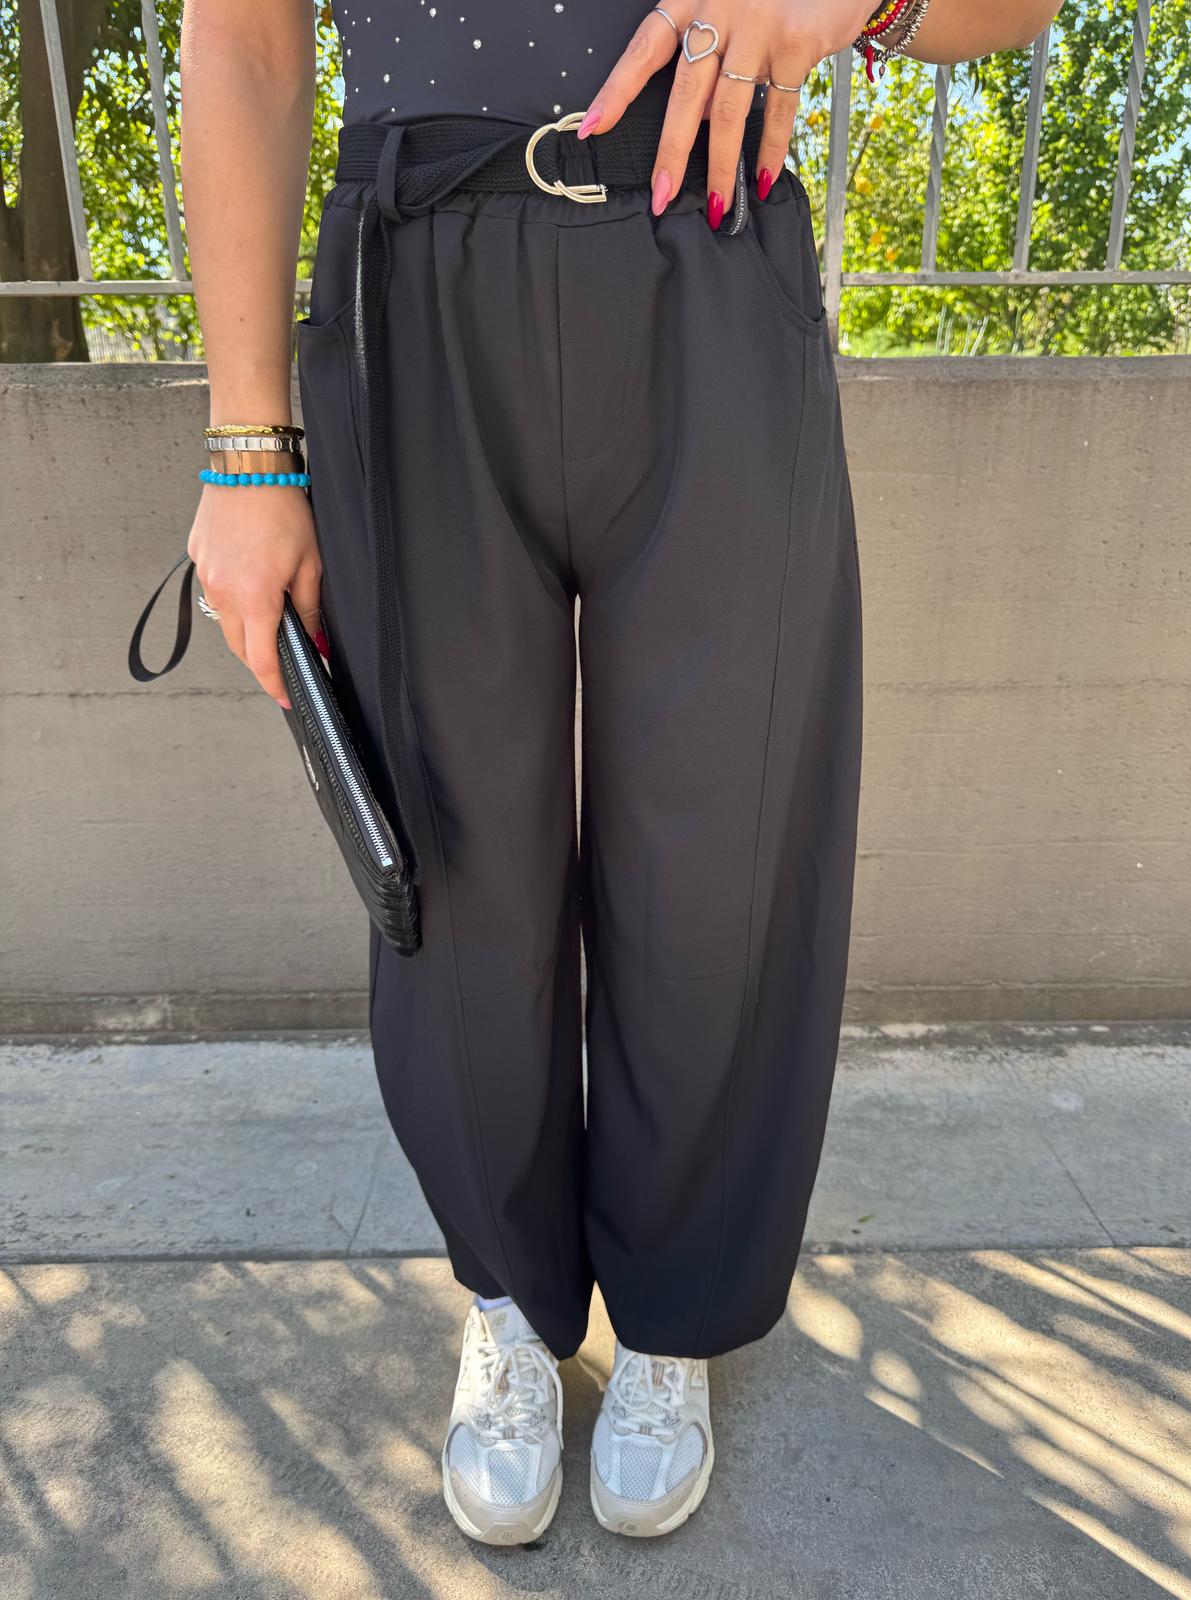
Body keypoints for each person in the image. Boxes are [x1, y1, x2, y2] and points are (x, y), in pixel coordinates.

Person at [182, 0, 1061, 1545]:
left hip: (710, 242)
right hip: (416, 272)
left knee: (724, 839)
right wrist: (248, 449)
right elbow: (245, 37)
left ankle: (673, 1313)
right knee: (453, 855)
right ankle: (512, 1302)